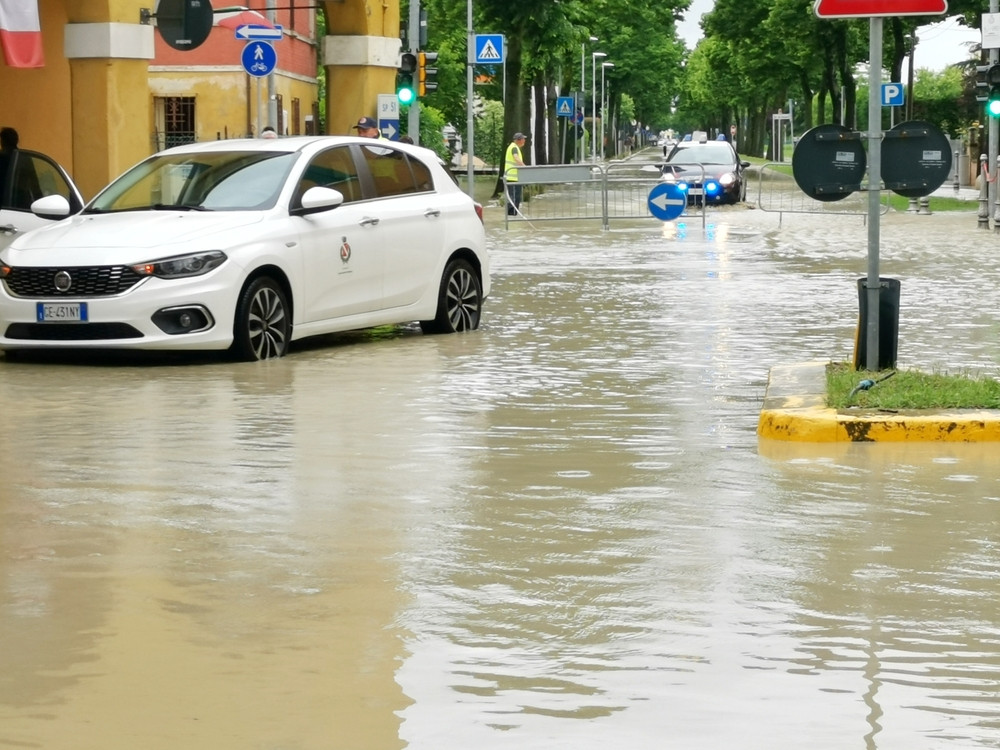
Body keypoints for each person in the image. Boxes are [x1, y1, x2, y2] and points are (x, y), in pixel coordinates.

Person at [504, 132, 526, 216]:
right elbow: (516, 158)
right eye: (523, 139)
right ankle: (511, 215)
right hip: (512, 178)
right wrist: (525, 167)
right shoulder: (514, 148)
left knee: (514, 198)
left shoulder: (513, 147)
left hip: (513, 177)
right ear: (518, 140)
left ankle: (512, 216)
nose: (524, 141)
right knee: (514, 198)